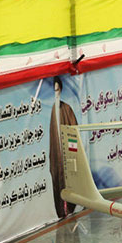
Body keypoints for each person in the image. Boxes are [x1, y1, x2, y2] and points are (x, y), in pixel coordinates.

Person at [48, 76, 79, 218]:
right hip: (57, 157)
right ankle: (62, 212)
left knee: (70, 181)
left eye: (57, 90)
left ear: (61, 89)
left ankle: (70, 209)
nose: (56, 93)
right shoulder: (53, 110)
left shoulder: (66, 108)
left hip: (68, 156)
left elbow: (74, 132)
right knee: (58, 183)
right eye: (54, 91)